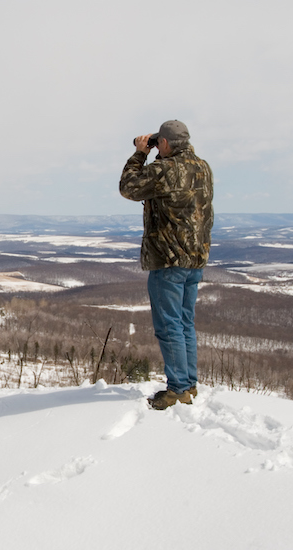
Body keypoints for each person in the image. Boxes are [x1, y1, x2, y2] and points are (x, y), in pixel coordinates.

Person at [119, 120, 214, 410]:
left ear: (166, 144)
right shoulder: (202, 167)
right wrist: (159, 151)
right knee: (184, 322)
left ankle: (177, 389)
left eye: (160, 142)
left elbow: (129, 187)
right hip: (195, 257)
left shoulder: (165, 170)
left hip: (168, 259)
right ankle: (189, 383)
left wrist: (139, 154)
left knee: (169, 325)